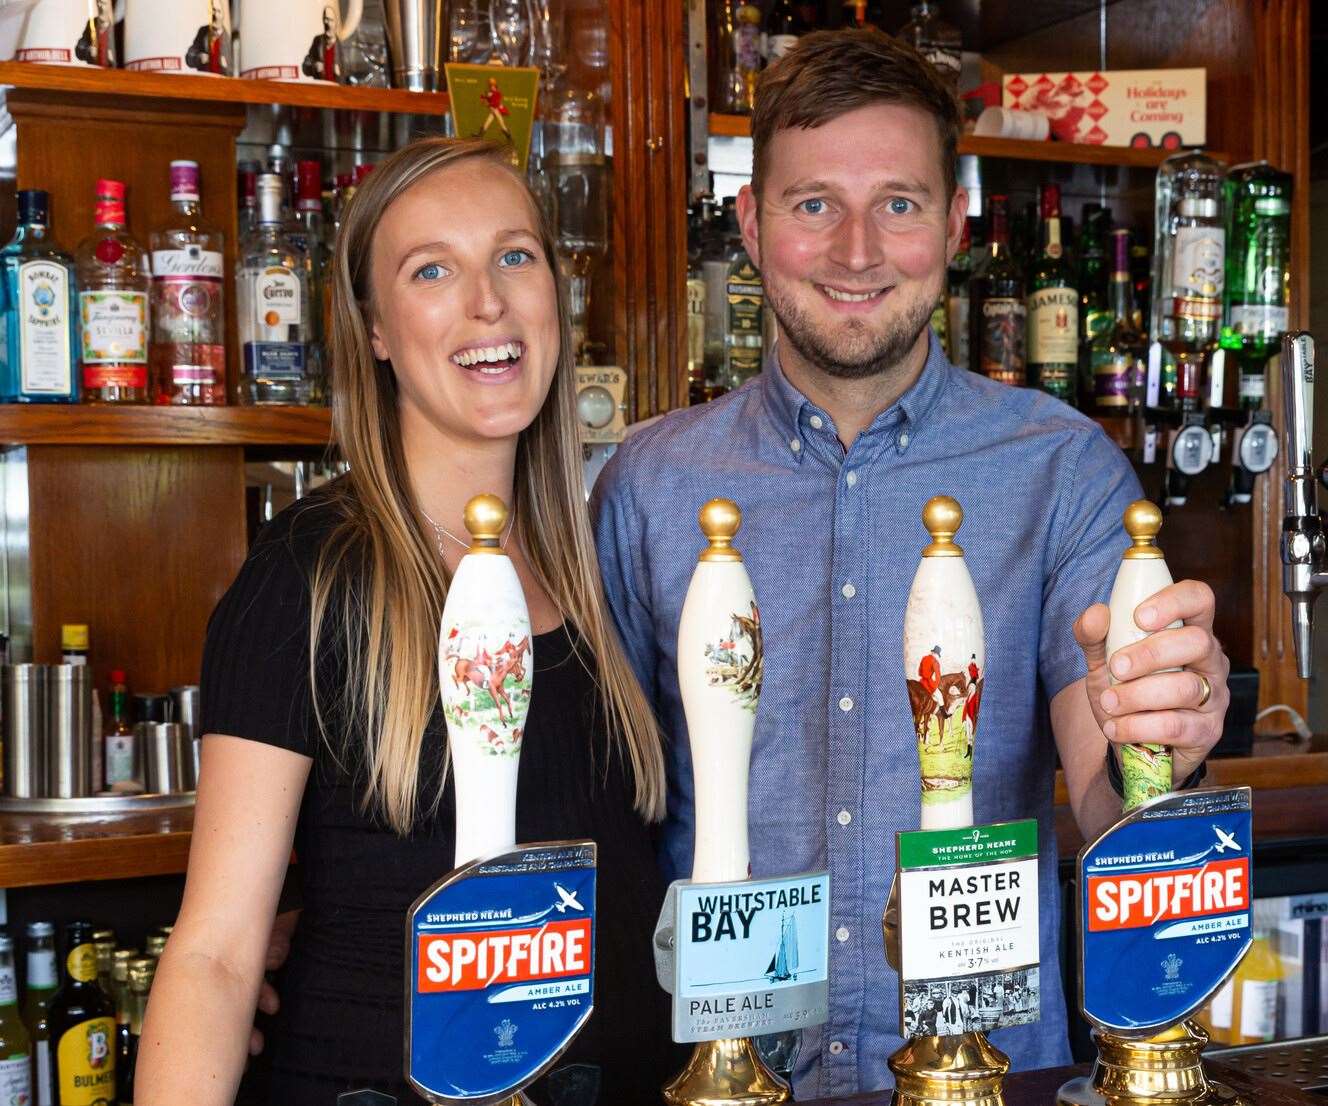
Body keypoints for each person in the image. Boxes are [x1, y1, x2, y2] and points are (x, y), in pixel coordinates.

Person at [591, 28, 1231, 1099]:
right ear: (750, 225)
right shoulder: (648, 486)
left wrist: (1158, 739)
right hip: (717, 1078)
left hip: (984, 1080)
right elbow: (595, 805)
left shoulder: (1061, 467)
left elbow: (1105, 807)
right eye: (811, 205)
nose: (854, 251)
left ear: (953, 224)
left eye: (895, 202)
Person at [136, 137, 676, 1106]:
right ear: (376, 328)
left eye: (515, 255)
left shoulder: (596, 566)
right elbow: (216, 952)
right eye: (432, 269)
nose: (487, 302)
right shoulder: (310, 575)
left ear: (557, 290)